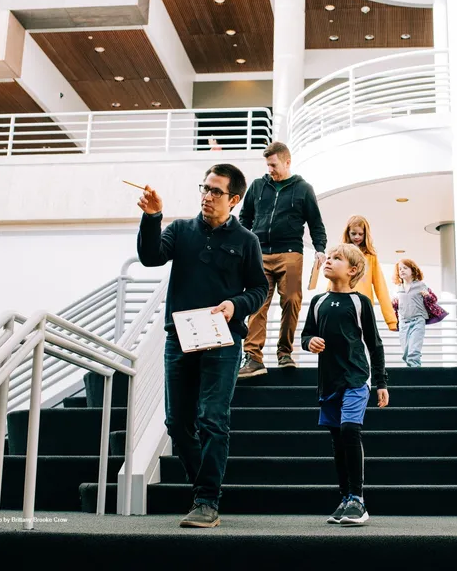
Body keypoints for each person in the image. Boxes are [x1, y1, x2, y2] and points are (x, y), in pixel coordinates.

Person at [136, 163, 268, 528]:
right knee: (178, 423)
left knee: (212, 418)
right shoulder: (180, 230)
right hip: (179, 338)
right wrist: (152, 217)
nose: (207, 196)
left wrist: (235, 306)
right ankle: (203, 491)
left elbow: (259, 289)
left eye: (216, 191)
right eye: (204, 188)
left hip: (222, 340)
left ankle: (207, 500)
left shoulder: (247, 241)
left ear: (235, 199)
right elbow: (151, 257)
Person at [301, 243, 388, 525]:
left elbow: (374, 345)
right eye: (329, 257)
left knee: (350, 431)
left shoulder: (360, 302)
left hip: (355, 379)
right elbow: (306, 336)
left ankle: (358, 500)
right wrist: (309, 342)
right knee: (337, 441)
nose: (328, 260)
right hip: (328, 383)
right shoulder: (317, 303)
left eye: (337, 258)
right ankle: (345, 498)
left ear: (352, 270)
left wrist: (381, 383)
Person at [238, 141, 328, 377]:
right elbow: (244, 219)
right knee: (257, 304)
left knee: (291, 300)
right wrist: (238, 247)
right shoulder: (258, 186)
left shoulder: (303, 189)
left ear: (287, 162)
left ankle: (285, 352)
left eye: (273, 164)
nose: (270, 169)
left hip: (290, 252)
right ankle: (253, 357)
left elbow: (316, 224)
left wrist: (320, 249)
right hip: (258, 253)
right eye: (267, 165)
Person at [336, 215, 397, 331]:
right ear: (348, 233)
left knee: (363, 341)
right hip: (343, 304)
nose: (357, 237)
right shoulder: (340, 254)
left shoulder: (371, 257)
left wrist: (391, 321)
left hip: (363, 307)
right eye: (353, 233)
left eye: (360, 234)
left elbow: (381, 287)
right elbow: (334, 280)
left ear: (365, 234)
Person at [391, 258, 429, 368]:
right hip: (403, 322)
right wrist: (394, 302)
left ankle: (416, 375)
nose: (402, 270)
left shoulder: (421, 285)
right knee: (406, 352)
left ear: (413, 270)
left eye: (405, 268)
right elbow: (395, 306)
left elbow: (432, 300)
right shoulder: (398, 288)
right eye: (400, 269)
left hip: (418, 320)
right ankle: (411, 370)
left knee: (414, 351)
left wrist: (427, 296)